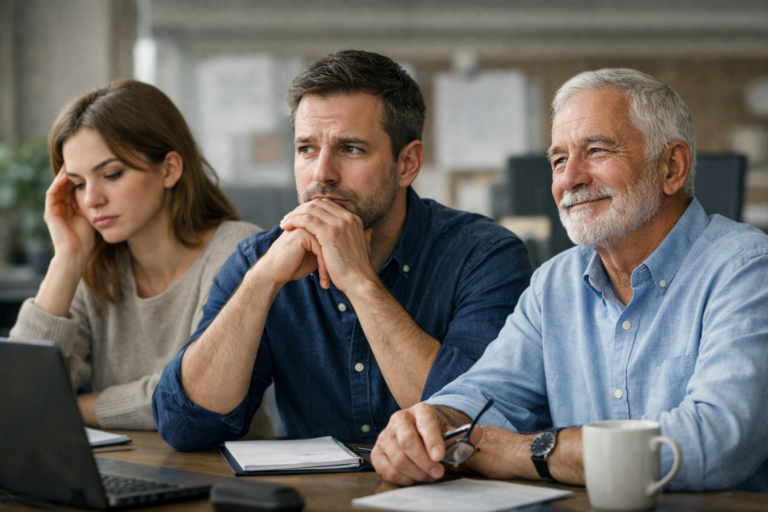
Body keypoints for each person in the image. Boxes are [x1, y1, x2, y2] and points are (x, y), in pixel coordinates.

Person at [372, 68, 768, 492]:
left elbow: (713, 442)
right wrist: (430, 425)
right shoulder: (554, 284)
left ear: (672, 167)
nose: (570, 178)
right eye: (559, 160)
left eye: (596, 151)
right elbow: (484, 396)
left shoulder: (747, 268)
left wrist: (525, 452)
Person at [152, 50, 533, 450]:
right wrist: (261, 283)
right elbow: (185, 428)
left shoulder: (484, 256)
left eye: (350, 149)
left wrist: (360, 282)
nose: (322, 174)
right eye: (306, 149)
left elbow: (478, 426)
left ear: (407, 163)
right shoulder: (259, 259)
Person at [9, 80, 271, 433]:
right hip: (125, 464)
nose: (92, 200)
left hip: (220, 466)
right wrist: (67, 259)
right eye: (78, 184)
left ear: (169, 169)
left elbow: (193, 394)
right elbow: (20, 393)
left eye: (111, 174)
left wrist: (69, 408)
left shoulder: (237, 251)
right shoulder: (95, 266)